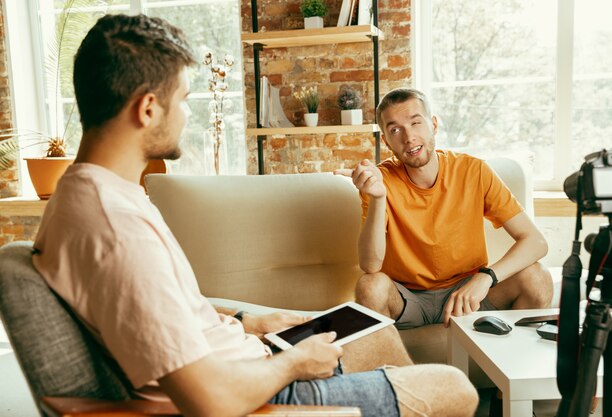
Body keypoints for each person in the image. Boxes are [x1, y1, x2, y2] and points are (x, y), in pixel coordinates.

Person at [32, 15, 478, 417]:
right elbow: (208, 400)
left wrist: (250, 320)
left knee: (373, 333)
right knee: (453, 387)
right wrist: (293, 363)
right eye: (184, 99)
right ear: (148, 109)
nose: (188, 114)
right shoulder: (114, 226)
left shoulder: (95, 194)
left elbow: (157, 304)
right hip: (252, 390)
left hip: (245, 356)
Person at [335, 88, 553, 329]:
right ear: (386, 141)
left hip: (468, 294)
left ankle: (508, 364)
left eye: (416, 123)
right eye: (395, 129)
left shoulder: (474, 171)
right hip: (408, 299)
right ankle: (394, 367)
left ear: (434, 125)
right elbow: (371, 266)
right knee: (370, 285)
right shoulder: (380, 181)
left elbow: (536, 242)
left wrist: (486, 277)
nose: (408, 137)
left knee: (538, 278)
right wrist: (377, 198)